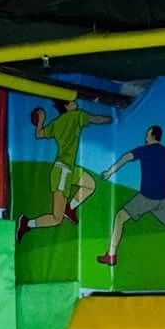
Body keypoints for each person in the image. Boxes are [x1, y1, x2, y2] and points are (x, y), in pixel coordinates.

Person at [97, 126, 165, 267]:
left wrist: (109, 172)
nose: (145, 137)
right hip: (164, 198)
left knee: (120, 217)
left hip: (147, 197)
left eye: (147, 134)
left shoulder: (144, 151)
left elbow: (125, 157)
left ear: (152, 136)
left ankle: (111, 255)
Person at [15, 98, 111, 244]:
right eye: (71, 102)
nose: (75, 103)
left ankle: (70, 208)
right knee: (56, 219)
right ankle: (27, 223)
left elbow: (39, 134)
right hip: (63, 171)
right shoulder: (76, 115)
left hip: (69, 168)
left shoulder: (57, 122)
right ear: (66, 106)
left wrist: (41, 120)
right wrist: (112, 119)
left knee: (90, 185)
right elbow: (96, 118)